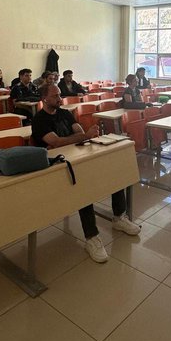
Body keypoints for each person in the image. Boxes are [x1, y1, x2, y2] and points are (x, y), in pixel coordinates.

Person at [31, 84, 140, 263]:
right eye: (55, 96)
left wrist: (77, 137)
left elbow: (80, 133)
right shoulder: (39, 120)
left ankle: (119, 217)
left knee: (114, 173)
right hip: (55, 167)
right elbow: (57, 143)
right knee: (84, 188)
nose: (60, 98)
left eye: (60, 95)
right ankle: (92, 237)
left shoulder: (65, 113)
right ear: (44, 99)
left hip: (77, 157)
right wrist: (81, 137)